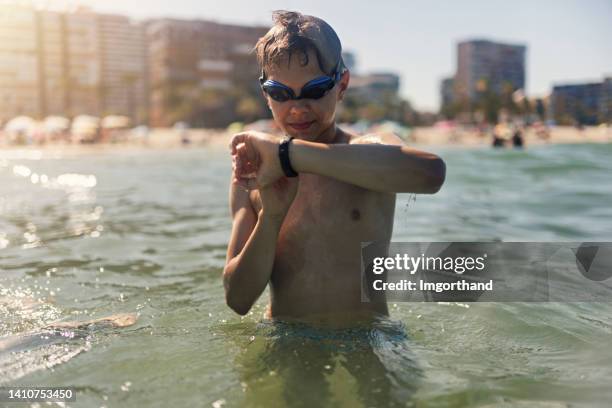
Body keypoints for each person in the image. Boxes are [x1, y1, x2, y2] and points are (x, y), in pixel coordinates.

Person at [223, 11, 445, 325]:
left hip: (366, 339)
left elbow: (431, 174)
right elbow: (238, 299)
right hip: (288, 340)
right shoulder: (255, 173)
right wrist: (271, 217)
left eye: (314, 90)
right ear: (265, 94)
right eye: (281, 94)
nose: (298, 108)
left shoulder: (368, 151)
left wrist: (289, 156)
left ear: (341, 84)